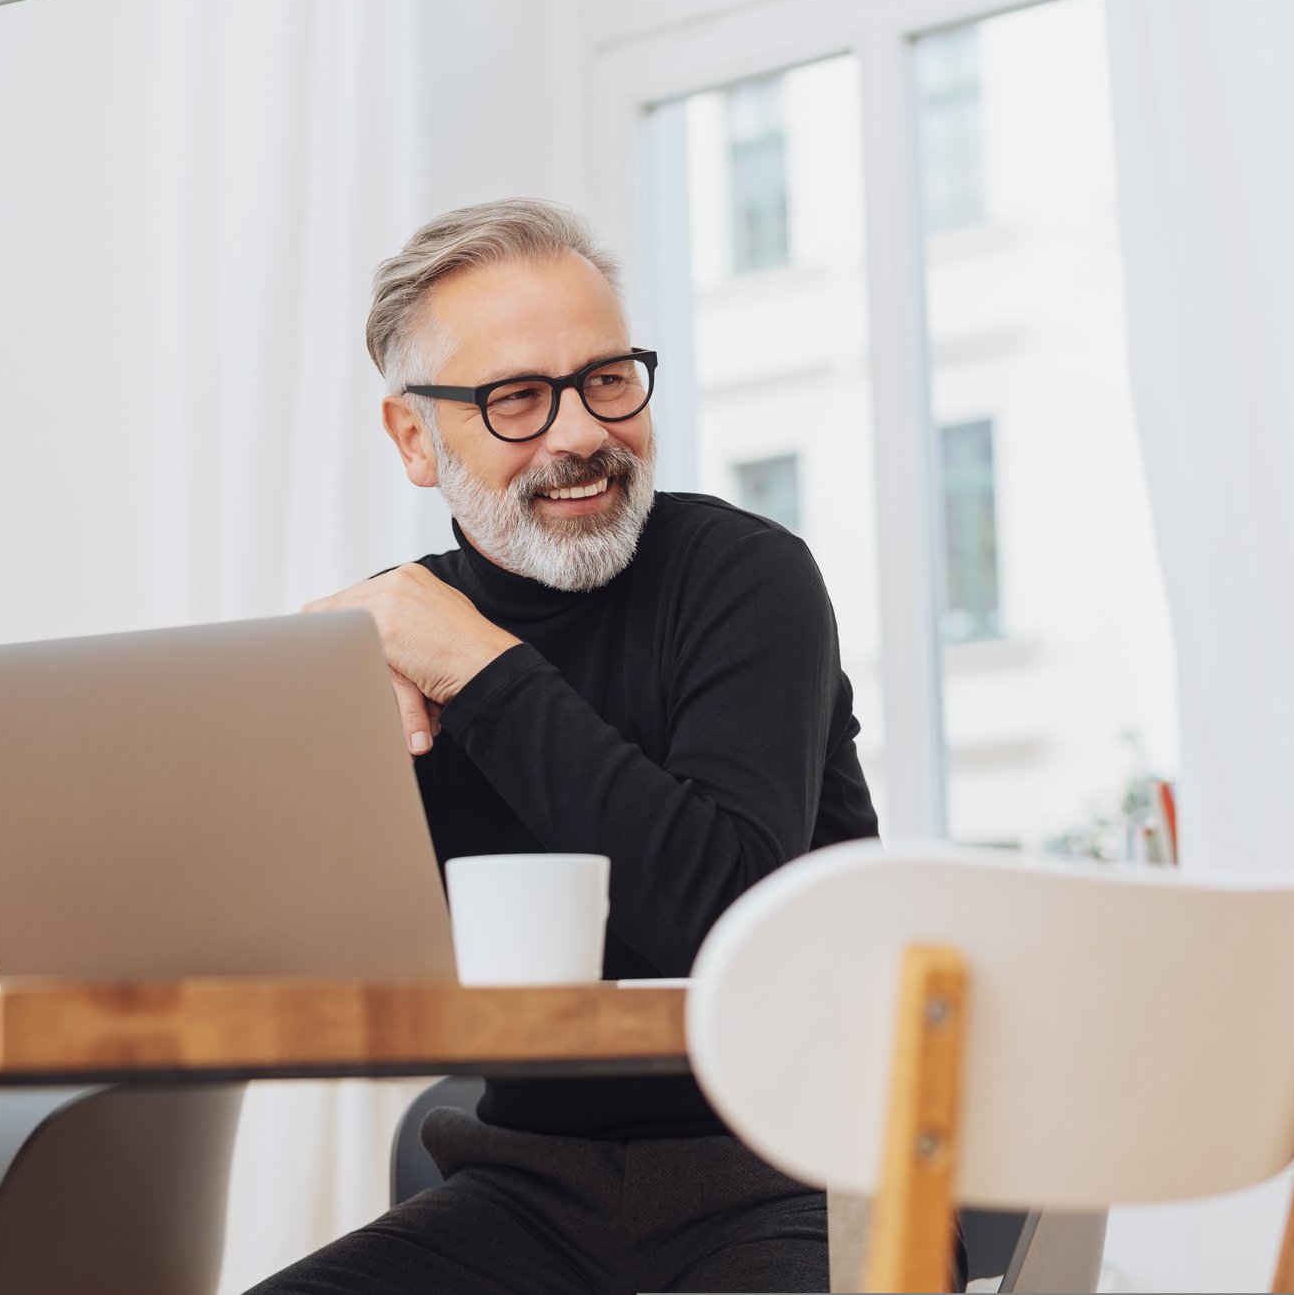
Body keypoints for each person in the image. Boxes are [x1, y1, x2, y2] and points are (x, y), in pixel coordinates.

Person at [268, 198, 891, 1295]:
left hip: (794, 1177)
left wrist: (481, 669)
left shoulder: (745, 578)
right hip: (525, 1187)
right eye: (517, 398)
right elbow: (336, 957)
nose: (581, 433)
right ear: (415, 437)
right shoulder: (391, 642)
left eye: (606, 378)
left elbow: (720, 918)